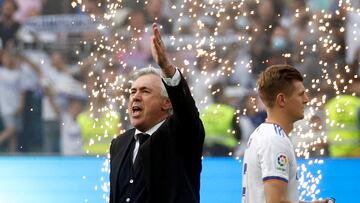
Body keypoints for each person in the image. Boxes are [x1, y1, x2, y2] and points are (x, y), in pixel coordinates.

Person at [109, 24, 205, 203]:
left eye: (145, 91)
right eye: (132, 92)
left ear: (167, 103)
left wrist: (167, 68)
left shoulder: (181, 134)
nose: (136, 97)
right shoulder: (119, 144)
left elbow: (187, 112)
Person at [242, 64, 331, 203]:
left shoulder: (264, 133)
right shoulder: (274, 139)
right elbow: (276, 201)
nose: (306, 99)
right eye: (301, 94)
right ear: (282, 100)